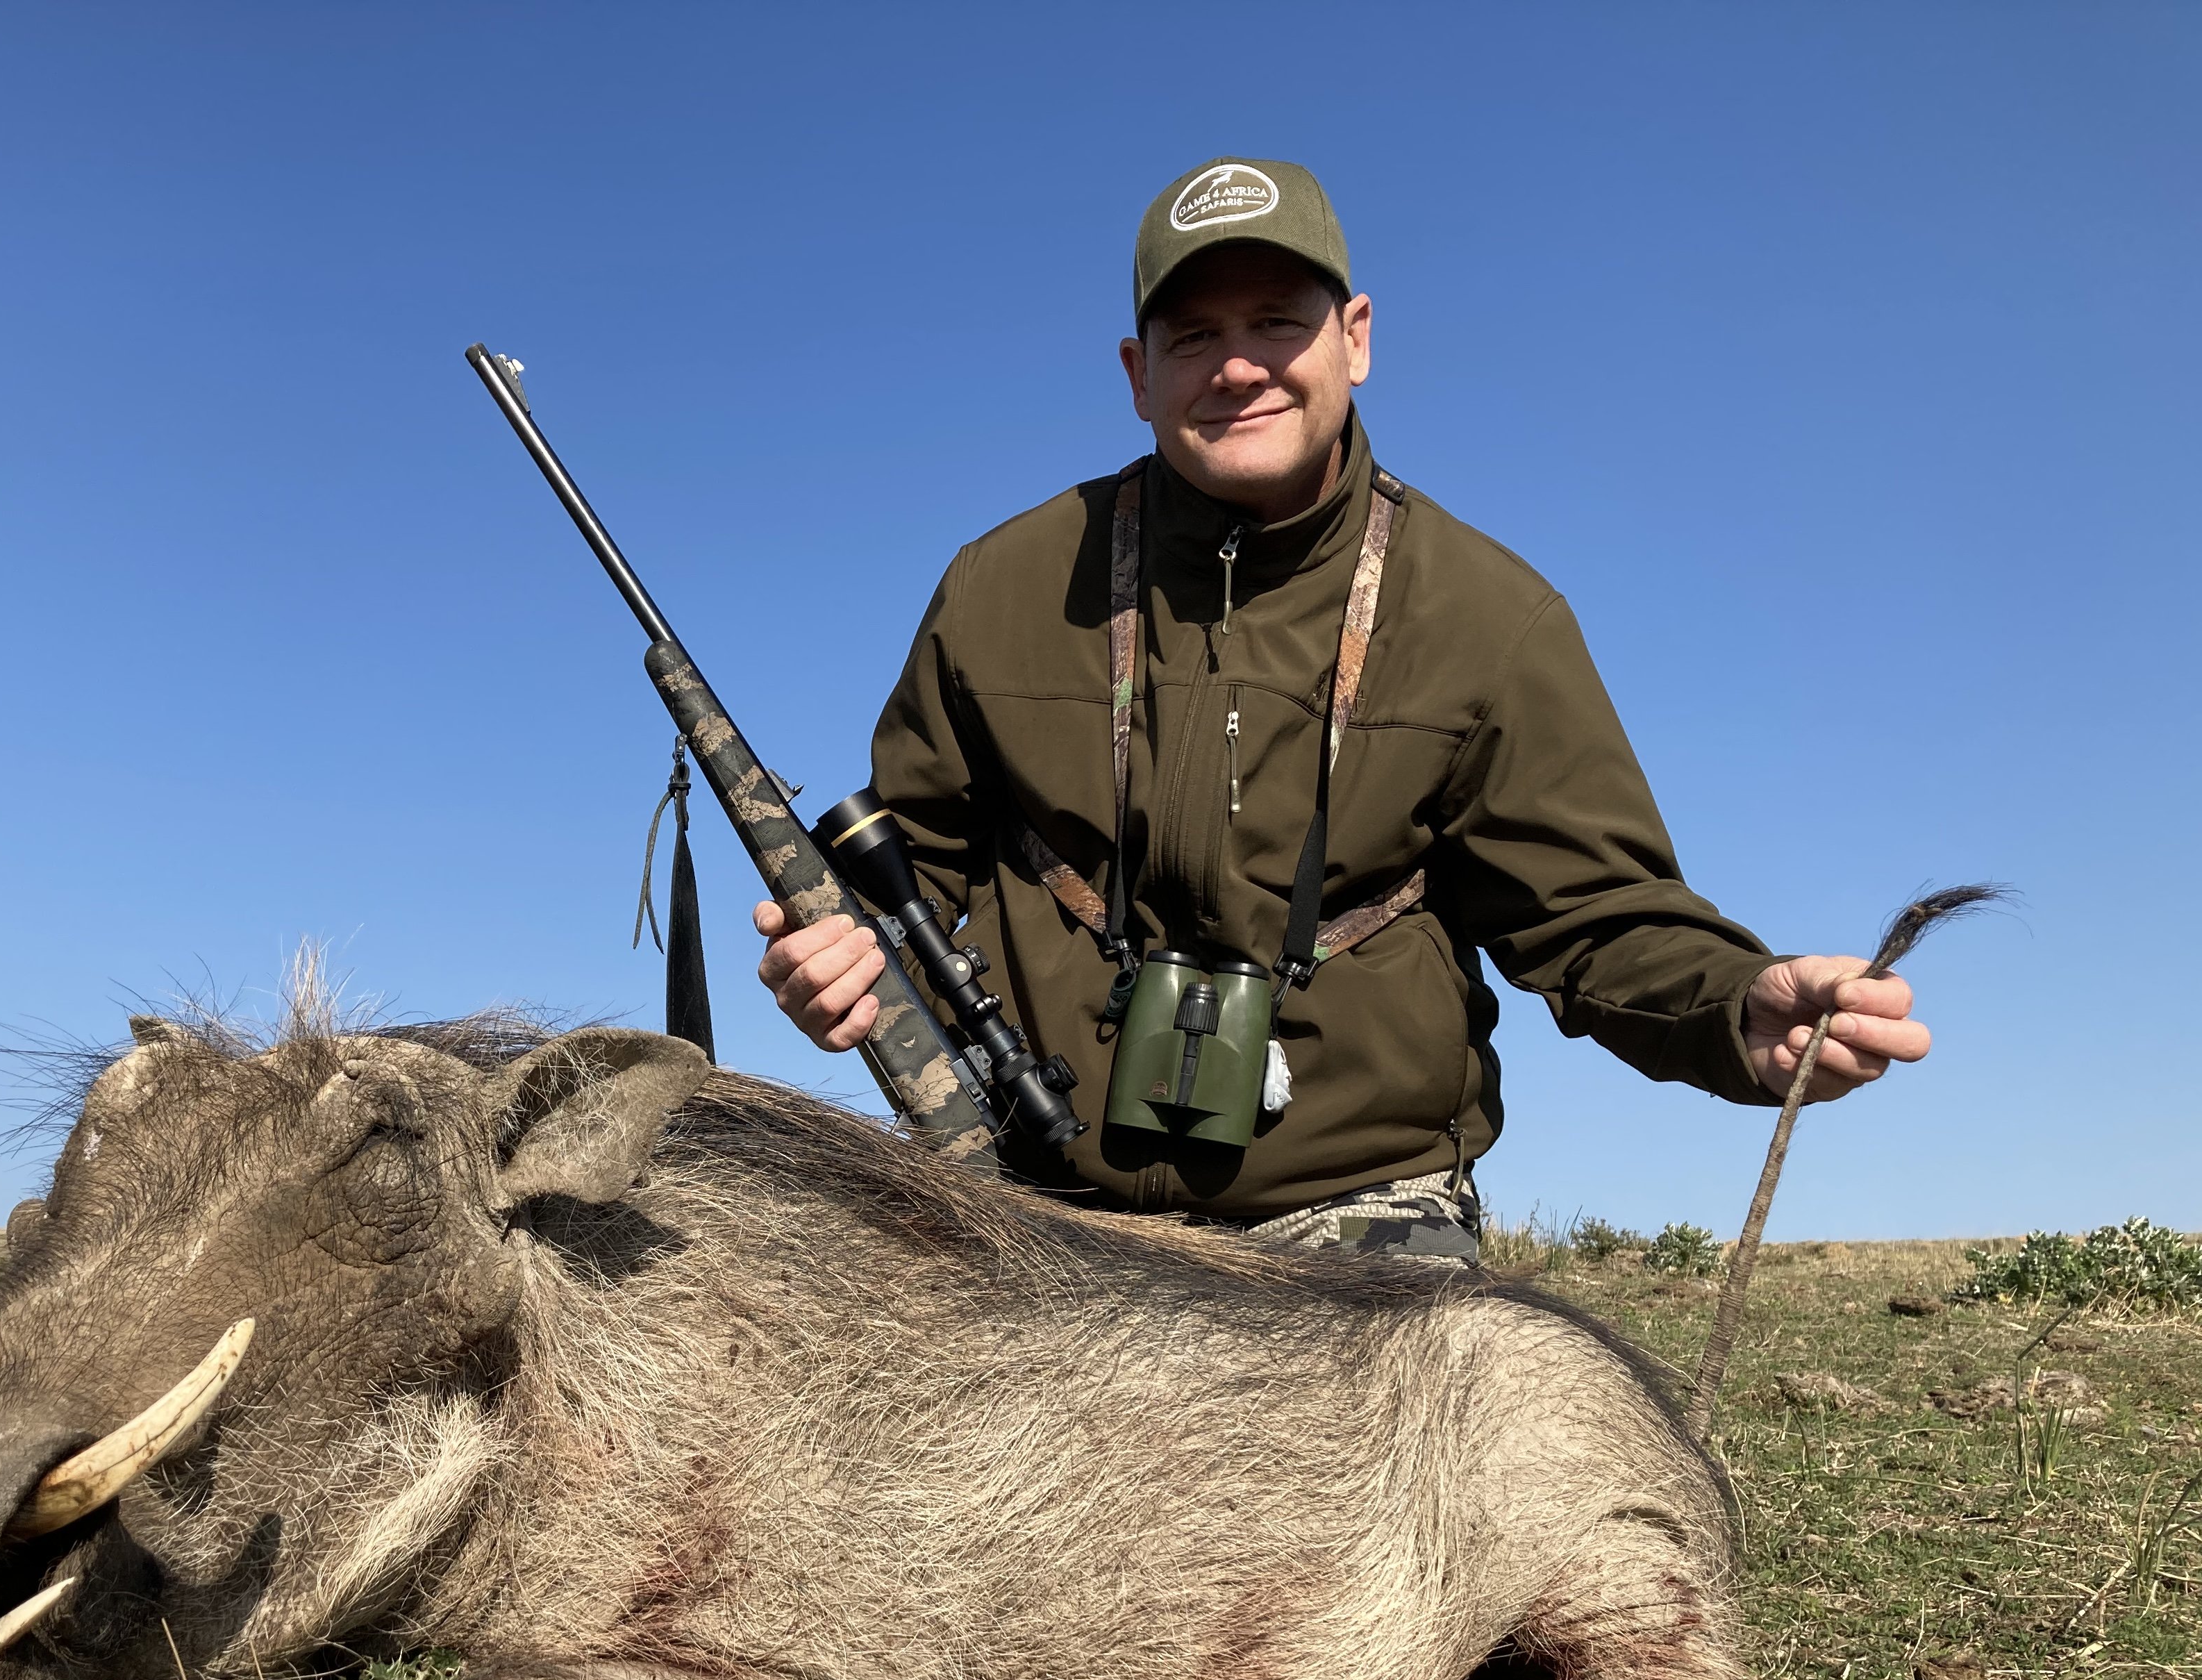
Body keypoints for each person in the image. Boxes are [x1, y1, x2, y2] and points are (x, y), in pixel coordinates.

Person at [755, 156, 1930, 1260]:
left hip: (1360, 1208)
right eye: (1195, 334)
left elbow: (1597, 919)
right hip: (1037, 1193)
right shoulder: (1000, 584)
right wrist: (831, 954)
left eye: (1278, 320)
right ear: (1137, 374)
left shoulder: (1490, 613)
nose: (1237, 364)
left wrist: (1738, 1003)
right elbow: (904, 870)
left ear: (1354, 339)